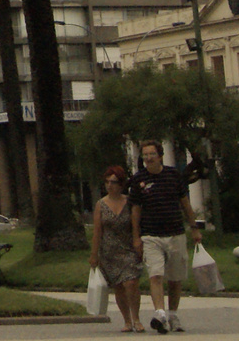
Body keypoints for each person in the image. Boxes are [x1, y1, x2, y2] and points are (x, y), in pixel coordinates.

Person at [130, 140, 199, 334]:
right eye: (145, 155)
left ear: (160, 156)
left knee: (175, 278)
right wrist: (136, 237)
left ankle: (173, 314)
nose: (148, 158)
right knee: (156, 274)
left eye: (152, 154)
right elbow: (135, 210)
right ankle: (159, 313)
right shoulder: (138, 179)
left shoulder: (173, 175)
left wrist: (194, 228)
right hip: (151, 235)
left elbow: (185, 203)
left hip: (175, 233)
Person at [92, 165, 144, 333]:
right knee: (119, 287)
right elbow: (97, 231)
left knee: (131, 282)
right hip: (109, 252)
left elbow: (136, 225)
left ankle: (136, 318)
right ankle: (127, 320)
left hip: (127, 248)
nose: (109, 185)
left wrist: (137, 241)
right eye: (107, 182)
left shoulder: (130, 202)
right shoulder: (101, 204)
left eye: (113, 182)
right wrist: (94, 255)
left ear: (121, 184)